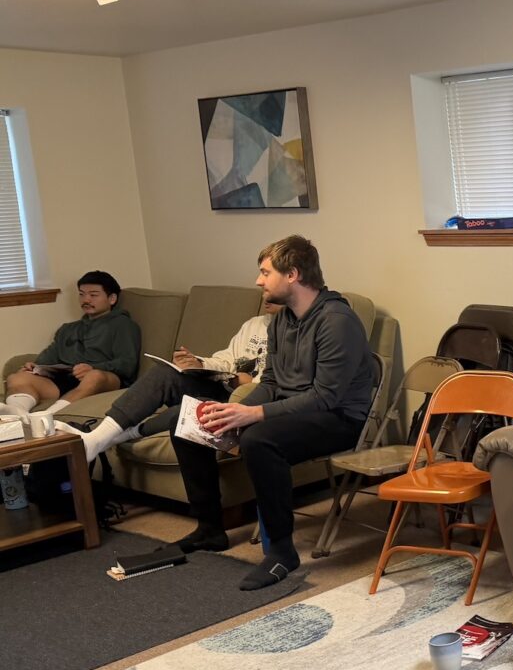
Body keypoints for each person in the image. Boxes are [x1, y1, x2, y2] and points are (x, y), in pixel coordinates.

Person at [172, 236, 376, 591]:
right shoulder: (282, 321)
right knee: (194, 422)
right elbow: (270, 381)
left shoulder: (336, 321)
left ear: (292, 274)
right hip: (294, 410)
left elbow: (325, 397)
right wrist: (235, 410)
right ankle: (209, 528)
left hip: (339, 418)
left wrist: (254, 415)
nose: (258, 281)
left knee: (259, 440)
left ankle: (282, 552)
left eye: (266, 273)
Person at [59, 296, 280, 462]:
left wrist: (248, 384)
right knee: (164, 373)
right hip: (225, 386)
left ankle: (111, 437)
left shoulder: (292, 331)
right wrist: (199, 363)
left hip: (246, 402)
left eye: (268, 282)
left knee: (186, 411)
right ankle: (98, 437)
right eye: (262, 288)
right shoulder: (254, 324)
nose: (264, 294)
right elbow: (226, 359)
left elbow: (283, 383)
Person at [2, 271, 141, 416]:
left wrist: (93, 368)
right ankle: (18, 416)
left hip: (104, 379)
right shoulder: (68, 329)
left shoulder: (123, 325)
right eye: (81, 294)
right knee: (16, 378)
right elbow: (50, 355)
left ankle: (48, 416)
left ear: (112, 298)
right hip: (66, 380)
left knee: (94, 376)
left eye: (93, 295)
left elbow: (127, 364)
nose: (86, 300)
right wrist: (35, 366)